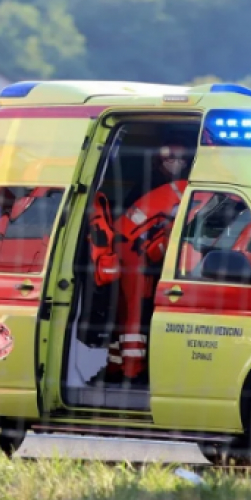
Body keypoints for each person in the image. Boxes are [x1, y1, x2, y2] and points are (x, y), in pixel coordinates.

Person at [87, 144, 190, 386]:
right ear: (158, 162)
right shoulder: (171, 188)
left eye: (181, 159)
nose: (177, 163)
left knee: (124, 314)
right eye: (170, 159)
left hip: (130, 254)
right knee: (133, 315)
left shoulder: (153, 185)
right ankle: (132, 371)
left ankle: (115, 366)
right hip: (134, 255)